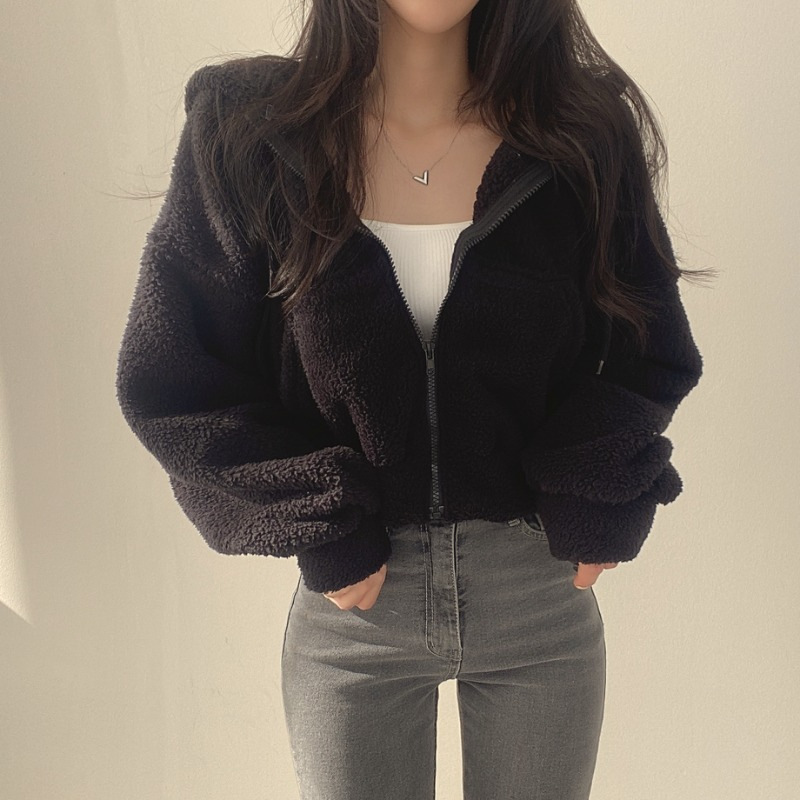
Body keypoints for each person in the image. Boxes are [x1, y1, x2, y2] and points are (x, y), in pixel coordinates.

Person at [115, 1, 706, 797]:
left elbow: (649, 347)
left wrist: (593, 485)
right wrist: (319, 521)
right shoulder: (249, 130)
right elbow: (173, 375)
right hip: (356, 612)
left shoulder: (580, 132)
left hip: (536, 590)